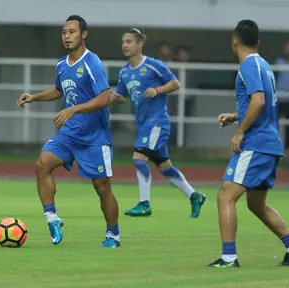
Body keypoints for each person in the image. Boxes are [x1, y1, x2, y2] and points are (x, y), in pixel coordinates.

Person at [17, 15, 120, 248]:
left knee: (102, 187)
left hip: (95, 136)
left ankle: (113, 234)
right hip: (70, 133)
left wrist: (74, 109)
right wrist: (34, 97)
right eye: (64, 32)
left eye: (72, 32)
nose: (67, 36)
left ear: (84, 34)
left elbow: (104, 98)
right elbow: (58, 89)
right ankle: (52, 218)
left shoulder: (91, 62)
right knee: (42, 164)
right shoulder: (62, 65)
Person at [208, 19, 289, 268]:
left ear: (234, 40)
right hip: (270, 143)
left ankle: (229, 258)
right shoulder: (263, 64)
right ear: (258, 41)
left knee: (225, 195)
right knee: (256, 204)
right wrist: (235, 116)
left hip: (257, 144)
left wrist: (239, 132)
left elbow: (259, 102)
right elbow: (259, 103)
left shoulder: (248, 66)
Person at [111, 28, 206, 218]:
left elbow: (175, 83)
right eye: (123, 42)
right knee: (165, 167)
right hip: (143, 124)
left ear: (140, 44)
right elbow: (124, 96)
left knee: (139, 158)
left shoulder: (153, 65)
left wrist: (157, 90)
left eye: (129, 41)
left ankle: (144, 203)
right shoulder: (124, 73)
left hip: (157, 123)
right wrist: (116, 97)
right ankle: (195, 196)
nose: (125, 45)